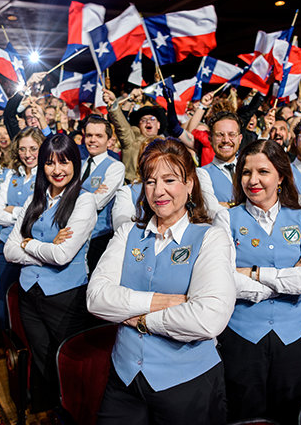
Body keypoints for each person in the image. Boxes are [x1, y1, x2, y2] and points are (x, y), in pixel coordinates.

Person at [87, 138, 235, 425]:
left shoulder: (211, 237)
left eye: (169, 180)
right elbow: (96, 298)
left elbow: (208, 319)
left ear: (189, 183)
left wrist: (140, 320)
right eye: (151, 181)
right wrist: (159, 302)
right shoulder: (128, 232)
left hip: (187, 383)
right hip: (124, 377)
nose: (159, 191)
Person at [213, 139, 301, 423]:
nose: (253, 180)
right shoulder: (225, 219)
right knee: (245, 413)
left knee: (291, 413)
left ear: (281, 176)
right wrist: (290, 278)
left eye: (263, 171)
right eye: (246, 172)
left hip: (295, 335)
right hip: (241, 336)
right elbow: (224, 280)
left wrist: (253, 272)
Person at [4, 134, 97, 410]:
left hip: (66, 297)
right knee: (43, 359)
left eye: (64, 162)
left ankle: (73, 411)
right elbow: (9, 251)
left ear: (75, 164)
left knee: (68, 361)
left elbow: (62, 255)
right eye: (49, 163)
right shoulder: (35, 199)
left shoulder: (84, 201)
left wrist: (28, 243)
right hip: (29, 294)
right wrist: (45, 249)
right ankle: (54, 410)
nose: (57, 170)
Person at [0, 127, 45, 328]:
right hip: (7, 246)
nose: (27, 154)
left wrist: (11, 209)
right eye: (22, 149)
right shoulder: (12, 175)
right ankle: (6, 340)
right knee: (1, 300)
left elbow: (41, 215)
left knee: (29, 310)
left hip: (34, 250)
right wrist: (22, 213)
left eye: (33, 148)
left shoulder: (47, 175)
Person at [80, 115, 125, 273]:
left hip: (98, 236)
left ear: (109, 140)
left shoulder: (115, 167)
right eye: (89, 135)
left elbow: (97, 202)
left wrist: (75, 196)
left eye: (99, 136)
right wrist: (89, 194)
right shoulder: (78, 165)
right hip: (75, 234)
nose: (93, 140)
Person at [103, 87, 167, 183]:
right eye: (143, 120)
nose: (148, 122)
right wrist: (114, 104)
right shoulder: (132, 141)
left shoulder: (167, 144)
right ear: (139, 126)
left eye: (152, 119)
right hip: (133, 186)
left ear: (158, 125)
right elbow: (122, 126)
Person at [197, 111, 243, 218]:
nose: (226, 140)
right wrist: (245, 205)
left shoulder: (248, 169)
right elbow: (212, 211)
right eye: (219, 135)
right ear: (210, 139)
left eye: (232, 134)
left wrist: (229, 205)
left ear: (240, 139)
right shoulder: (202, 173)